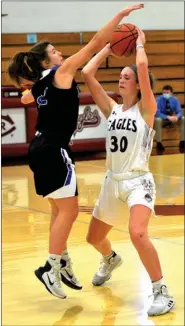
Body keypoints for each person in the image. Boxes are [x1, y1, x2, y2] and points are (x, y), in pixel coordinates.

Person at [7, 4, 144, 300]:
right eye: (55, 51)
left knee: (57, 211)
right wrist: (119, 19)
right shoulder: (60, 73)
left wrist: (27, 93)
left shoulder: (41, 83)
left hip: (39, 147)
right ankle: (51, 265)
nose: (60, 54)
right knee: (68, 212)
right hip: (54, 149)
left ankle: (63, 260)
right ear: (47, 60)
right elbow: (94, 42)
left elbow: (28, 97)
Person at [82, 28, 175, 316]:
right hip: (112, 183)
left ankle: (161, 291)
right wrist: (108, 49)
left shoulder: (147, 109)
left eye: (126, 77)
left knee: (138, 233)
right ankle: (110, 259)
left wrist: (140, 44)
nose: (121, 80)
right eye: (120, 76)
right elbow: (87, 73)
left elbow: (143, 66)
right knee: (93, 239)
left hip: (138, 182)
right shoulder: (113, 109)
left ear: (138, 85)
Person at [155, 85, 184, 154]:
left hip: (172, 119)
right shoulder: (158, 100)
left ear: (171, 93)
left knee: (183, 119)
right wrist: (167, 117)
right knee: (157, 120)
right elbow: (157, 113)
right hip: (163, 119)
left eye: (167, 93)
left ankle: (182, 141)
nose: (165, 94)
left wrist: (176, 117)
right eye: (164, 92)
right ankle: (159, 143)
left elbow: (180, 111)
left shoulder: (175, 100)